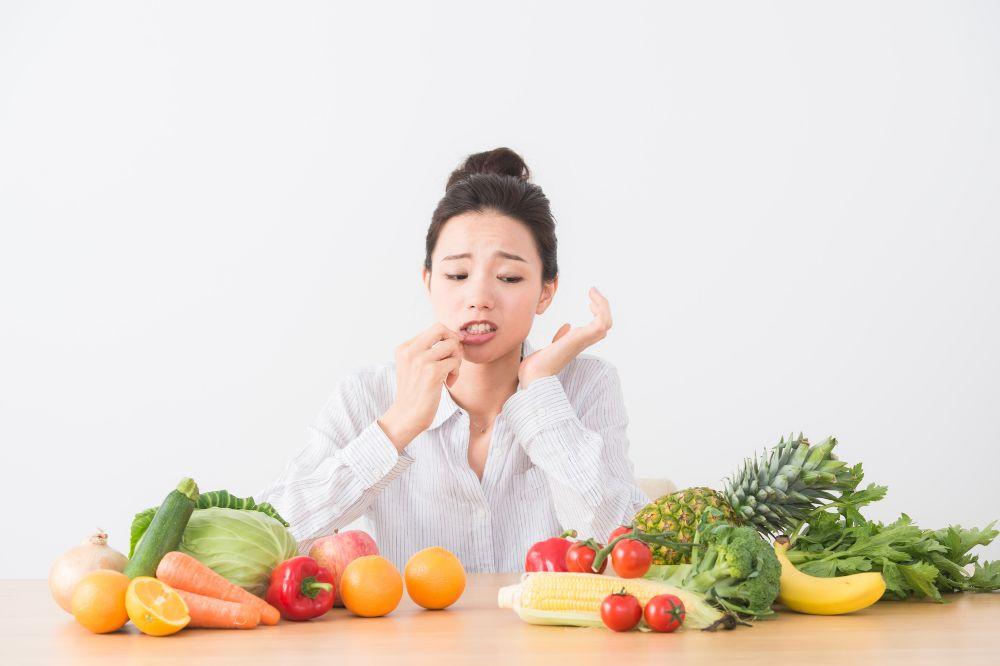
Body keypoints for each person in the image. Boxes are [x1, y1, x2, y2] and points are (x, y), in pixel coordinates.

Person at [257, 147, 649, 573]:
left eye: (509, 278)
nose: (479, 298)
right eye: (458, 275)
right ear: (429, 282)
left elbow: (625, 545)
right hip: (410, 643)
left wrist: (538, 388)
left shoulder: (586, 385)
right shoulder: (367, 394)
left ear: (545, 292)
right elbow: (267, 539)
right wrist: (398, 425)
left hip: (547, 640)